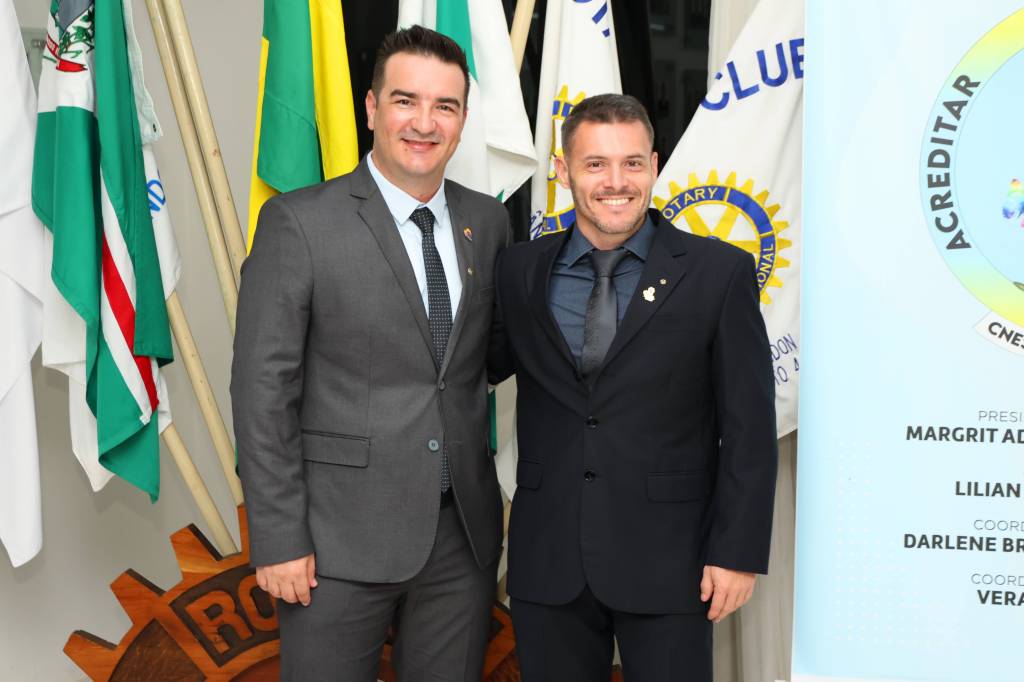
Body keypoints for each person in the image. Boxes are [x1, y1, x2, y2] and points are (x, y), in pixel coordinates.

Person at [231, 26, 510, 681]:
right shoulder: (300, 223)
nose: (424, 122)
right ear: (371, 107)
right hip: (334, 544)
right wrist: (279, 537)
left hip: (461, 540)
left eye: (445, 106)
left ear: (463, 120)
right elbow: (261, 391)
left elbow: (481, 361)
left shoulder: (489, 222)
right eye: (406, 100)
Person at [488, 94, 778, 681]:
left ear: (654, 166)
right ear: (563, 170)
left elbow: (749, 427)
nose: (616, 182)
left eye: (632, 163)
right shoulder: (518, 270)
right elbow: (475, 369)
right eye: (595, 163)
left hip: (672, 562)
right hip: (549, 561)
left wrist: (737, 553)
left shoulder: (718, 272)